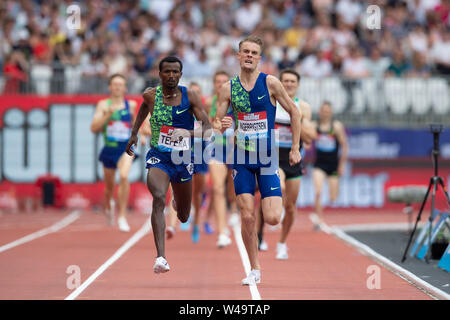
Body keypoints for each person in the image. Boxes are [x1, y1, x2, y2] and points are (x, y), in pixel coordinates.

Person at [214, 36, 302, 285]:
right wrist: (223, 124)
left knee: (273, 217)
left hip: (266, 157)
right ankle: (255, 268)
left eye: (254, 52)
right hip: (240, 157)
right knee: (247, 215)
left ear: (259, 58)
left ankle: (273, 205)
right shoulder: (228, 88)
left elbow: (294, 111)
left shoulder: (271, 83)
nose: (250, 55)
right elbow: (216, 123)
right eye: (246, 52)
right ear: (238, 56)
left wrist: (295, 147)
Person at [126, 56, 212, 274]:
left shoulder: (189, 96)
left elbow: (208, 129)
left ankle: (177, 200)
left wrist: (189, 133)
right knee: (157, 196)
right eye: (167, 72)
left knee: (183, 215)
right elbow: (143, 110)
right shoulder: (150, 95)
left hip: (182, 159)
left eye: (175, 72)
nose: (171, 75)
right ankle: (161, 257)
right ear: (160, 73)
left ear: (181, 74)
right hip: (159, 157)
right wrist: (134, 134)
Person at [90, 73, 147, 232]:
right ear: (110, 87)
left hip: (126, 148)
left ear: (125, 87)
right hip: (109, 148)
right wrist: (108, 115)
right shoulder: (103, 105)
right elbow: (94, 128)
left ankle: (121, 216)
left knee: (123, 176)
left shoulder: (131, 106)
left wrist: (141, 136)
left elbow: (136, 124)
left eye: (120, 84)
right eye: (114, 84)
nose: (117, 87)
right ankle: (109, 204)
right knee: (109, 187)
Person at [206, 70, 238, 249]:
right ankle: (222, 232)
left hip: (234, 148)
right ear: (214, 84)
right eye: (218, 81)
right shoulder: (210, 102)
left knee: (232, 186)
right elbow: (203, 123)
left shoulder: (236, 103)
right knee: (217, 188)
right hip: (215, 148)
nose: (221, 84)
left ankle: (233, 209)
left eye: (224, 81)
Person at [311, 101, 348, 228]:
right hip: (319, 164)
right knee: (318, 191)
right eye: (323, 110)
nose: (325, 113)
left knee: (333, 197)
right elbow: (306, 137)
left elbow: (344, 145)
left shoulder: (336, 127)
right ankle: (319, 219)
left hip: (333, 165)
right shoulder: (315, 126)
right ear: (320, 112)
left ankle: (326, 204)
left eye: (327, 111)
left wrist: (342, 165)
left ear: (331, 112)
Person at [189, 81, 210, 243]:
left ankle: (196, 221)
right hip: (182, 153)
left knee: (198, 191)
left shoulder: (204, 111)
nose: (194, 95)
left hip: (200, 154)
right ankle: (180, 218)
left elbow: (209, 131)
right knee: (181, 186)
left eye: (198, 92)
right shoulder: (182, 110)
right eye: (192, 92)